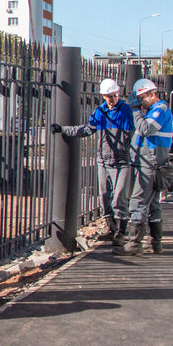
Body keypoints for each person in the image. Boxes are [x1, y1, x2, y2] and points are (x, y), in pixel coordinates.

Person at [52, 78, 134, 245]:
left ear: (117, 93)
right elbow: (87, 129)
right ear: (103, 96)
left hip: (122, 161)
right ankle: (111, 228)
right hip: (103, 161)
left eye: (113, 96)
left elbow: (135, 132)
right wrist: (64, 129)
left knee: (119, 197)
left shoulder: (126, 110)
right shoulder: (101, 111)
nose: (111, 100)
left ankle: (121, 231)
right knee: (104, 197)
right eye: (107, 96)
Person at [116, 78, 173, 256]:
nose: (140, 102)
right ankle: (156, 243)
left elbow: (145, 129)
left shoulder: (159, 110)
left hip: (150, 163)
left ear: (151, 94)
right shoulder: (152, 111)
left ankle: (134, 243)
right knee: (154, 204)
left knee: (138, 201)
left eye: (142, 98)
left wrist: (135, 110)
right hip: (151, 161)